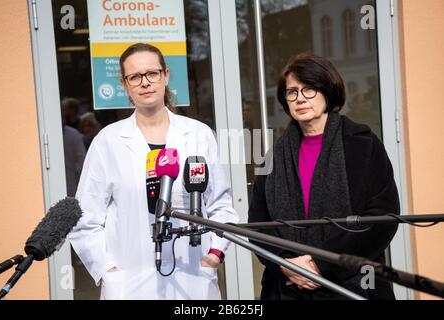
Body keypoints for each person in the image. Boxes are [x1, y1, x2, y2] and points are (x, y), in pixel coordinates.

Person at [68, 43, 239, 300]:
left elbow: (220, 206)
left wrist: (215, 253)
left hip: (192, 275)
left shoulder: (198, 134)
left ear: (166, 75)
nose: (145, 82)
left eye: (152, 73)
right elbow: (85, 218)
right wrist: (107, 269)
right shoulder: (108, 141)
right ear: (124, 84)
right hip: (130, 281)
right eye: (135, 76)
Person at [248, 53, 400, 300]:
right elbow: (258, 222)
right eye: (292, 92)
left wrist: (320, 265)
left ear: (327, 91)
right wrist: (285, 263)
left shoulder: (362, 145)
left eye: (309, 89)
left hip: (351, 285)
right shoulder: (274, 155)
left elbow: (382, 217)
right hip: (288, 289)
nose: (300, 99)